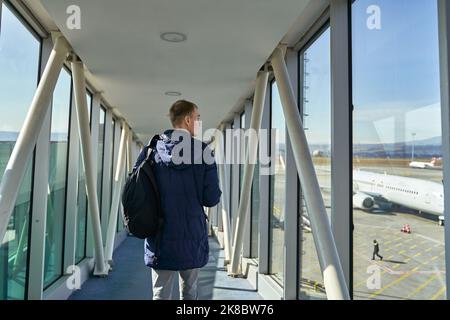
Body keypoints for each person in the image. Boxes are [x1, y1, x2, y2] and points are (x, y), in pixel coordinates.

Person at [137, 100, 221, 300]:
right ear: (188, 119)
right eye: (198, 117)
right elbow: (211, 199)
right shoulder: (203, 152)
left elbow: (137, 189)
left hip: (159, 236)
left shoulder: (151, 150)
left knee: (160, 295)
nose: (199, 121)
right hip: (191, 237)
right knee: (190, 293)